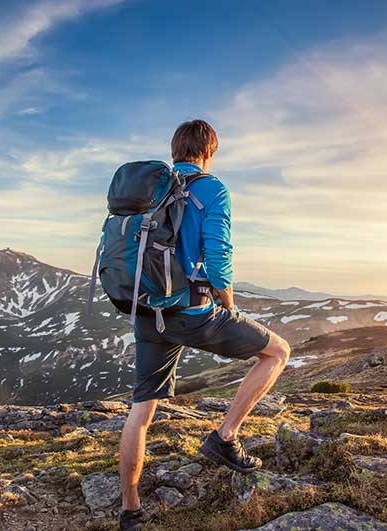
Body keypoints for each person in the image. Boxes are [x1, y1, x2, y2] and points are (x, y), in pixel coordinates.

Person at [118, 119, 291, 530]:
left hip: (148, 313)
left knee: (141, 412)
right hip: (193, 314)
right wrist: (227, 306)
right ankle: (224, 437)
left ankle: (129, 509)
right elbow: (218, 256)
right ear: (209, 152)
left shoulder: (151, 192)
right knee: (277, 351)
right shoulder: (212, 189)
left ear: (175, 150)